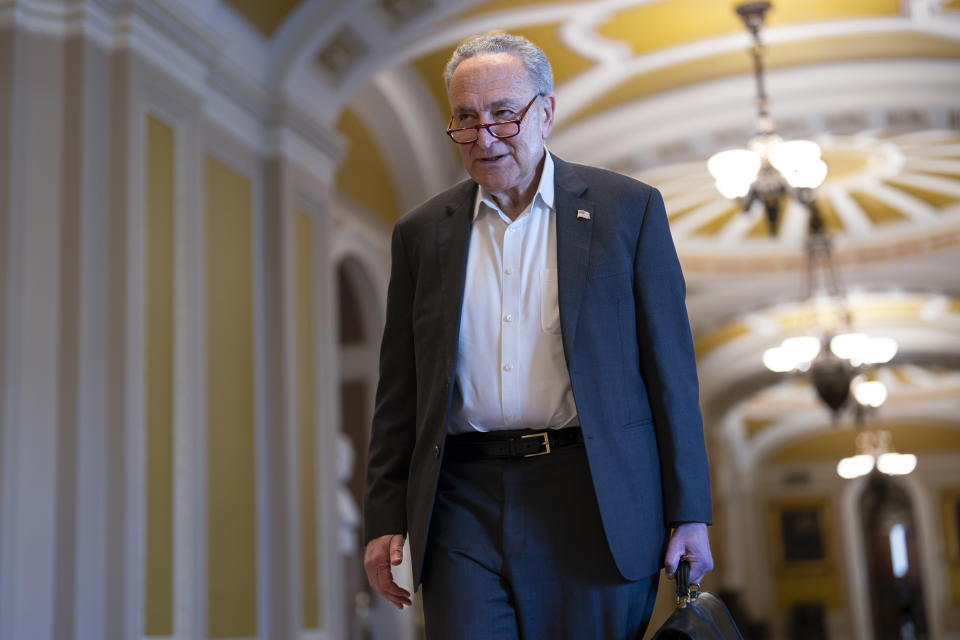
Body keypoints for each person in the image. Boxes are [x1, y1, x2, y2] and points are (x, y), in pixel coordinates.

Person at [363, 32, 713, 639]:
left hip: (590, 494)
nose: (484, 135)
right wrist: (385, 515)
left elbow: (671, 374)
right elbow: (401, 388)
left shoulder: (626, 211)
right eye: (466, 119)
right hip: (460, 501)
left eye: (504, 114)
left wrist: (690, 513)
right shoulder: (421, 234)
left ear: (545, 112)